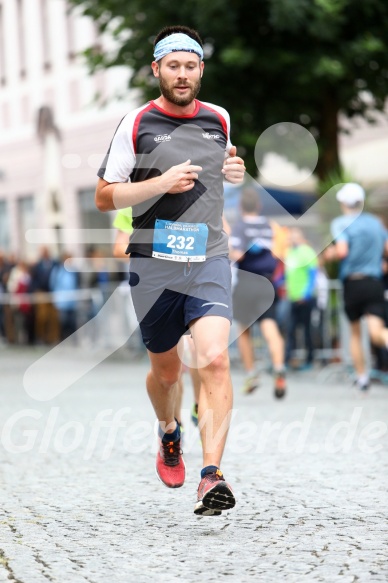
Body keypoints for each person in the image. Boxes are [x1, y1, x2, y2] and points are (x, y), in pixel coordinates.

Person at [95, 26, 245, 515]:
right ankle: (169, 431)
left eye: (191, 65)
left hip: (208, 259)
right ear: (157, 69)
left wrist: (235, 171)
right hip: (154, 265)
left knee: (215, 360)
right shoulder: (136, 123)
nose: (182, 75)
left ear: (201, 69)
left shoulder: (219, 117)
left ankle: (212, 475)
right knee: (167, 370)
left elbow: (221, 173)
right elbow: (104, 196)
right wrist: (158, 183)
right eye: (172, 65)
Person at [327, 183, 388, 390]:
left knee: (355, 333)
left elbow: (342, 251)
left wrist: (330, 254)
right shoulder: (375, 223)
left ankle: (362, 377)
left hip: (353, 283)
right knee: (377, 332)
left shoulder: (341, 223)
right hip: (374, 283)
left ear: (344, 202)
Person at [229, 187, 287, 398]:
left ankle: (251, 374)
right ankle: (279, 368)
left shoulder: (240, 227)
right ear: (259, 206)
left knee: (244, 330)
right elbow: (281, 252)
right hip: (268, 283)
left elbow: (237, 254)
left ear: (240, 206)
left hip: (247, 281)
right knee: (270, 327)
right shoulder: (272, 226)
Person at [284, 228, 318, 370]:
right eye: (291, 237)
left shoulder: (307, 252)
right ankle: (287, 360)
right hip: (293, 297)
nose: (292, 239)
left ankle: (310, 359)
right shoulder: (290, 253)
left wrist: (306, 293)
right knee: (290, 330)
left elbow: (313, 273)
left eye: (295, 237)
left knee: (307, 330)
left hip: (305, 298)